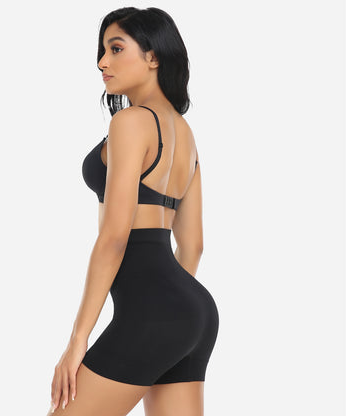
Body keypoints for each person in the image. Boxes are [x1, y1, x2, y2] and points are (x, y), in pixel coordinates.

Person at [47, 7, 219, 416]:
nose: (102, 62)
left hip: (155, 314)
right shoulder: (185, 134)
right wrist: (172, 315)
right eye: (102, 51)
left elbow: (114, 238)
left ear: (153, 56)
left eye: (116, 48)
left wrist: (78, 340)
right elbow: (193, 246)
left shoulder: (130, 122)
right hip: (194, 313)